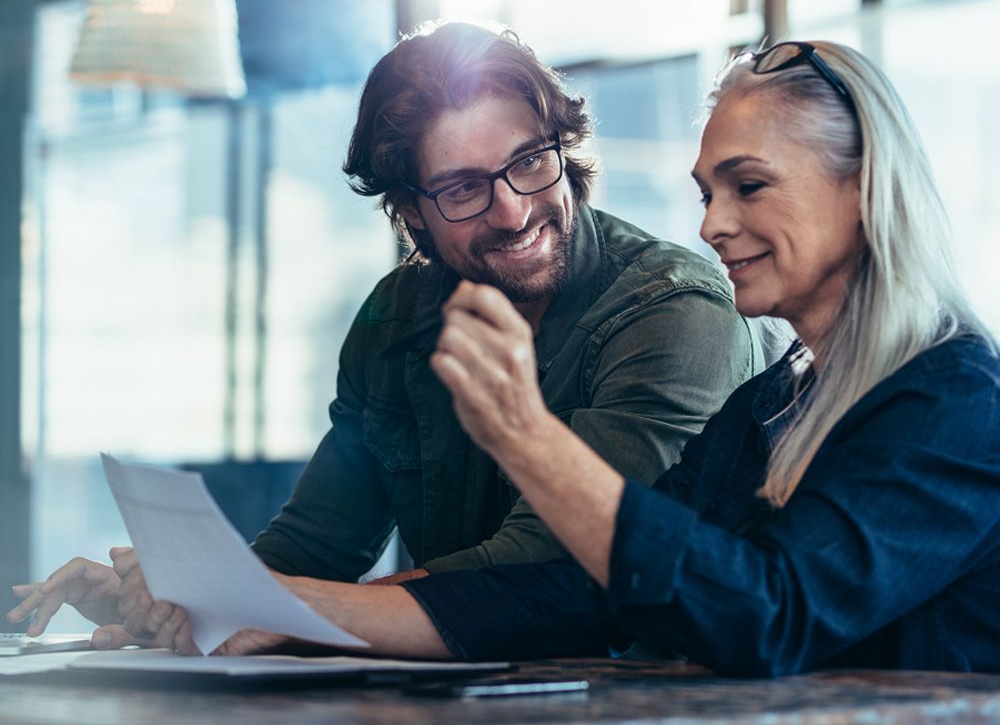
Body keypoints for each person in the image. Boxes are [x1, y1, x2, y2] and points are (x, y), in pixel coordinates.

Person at [102, 38, 999, 675]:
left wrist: (525, 435)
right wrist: (256, 605)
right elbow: (584, 591)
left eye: (749, 186)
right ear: (411, 214)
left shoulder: (954, 398)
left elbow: (769, 614)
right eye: (706, 191)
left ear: (866, 185)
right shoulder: (777, 399)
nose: (711, 223)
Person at [9, 20, 756, 649]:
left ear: (562, 150)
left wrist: (268, 607)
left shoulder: (672, 313)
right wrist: (185, 604)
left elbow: (540, 566)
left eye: (528, 162)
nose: (512, 211)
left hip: (649, 699)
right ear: (410, 210)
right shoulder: (396, 318)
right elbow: (316, 545)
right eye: (464, 187)